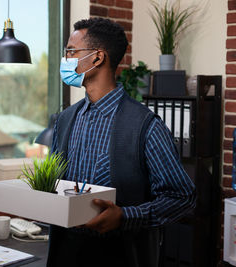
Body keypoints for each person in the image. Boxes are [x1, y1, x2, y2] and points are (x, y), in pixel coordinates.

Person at [46, 17, 196, 267]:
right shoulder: (64, 120)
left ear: (97, 57)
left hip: (120, 256)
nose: (66, 59)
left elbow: (182, 197)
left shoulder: (146, 126)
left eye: (71, 52)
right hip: (64, 253)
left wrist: (126, 216)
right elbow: (55, 185)